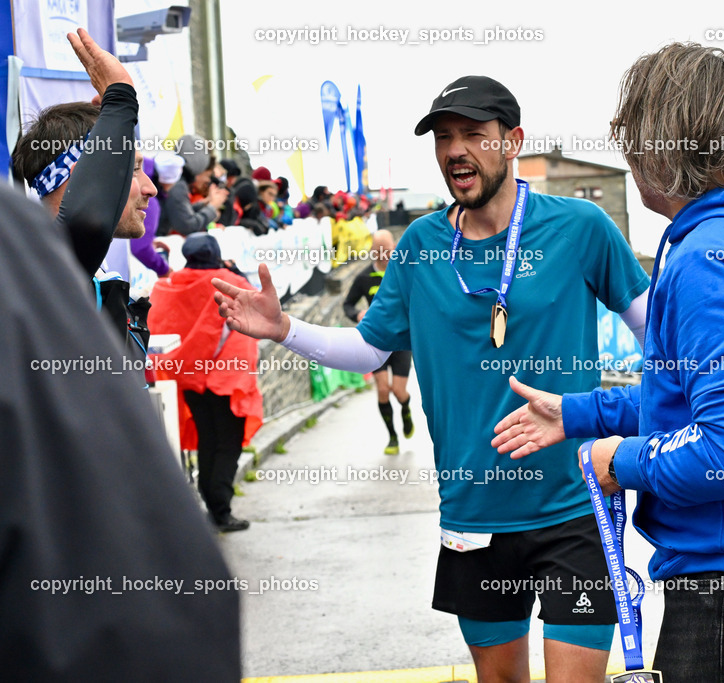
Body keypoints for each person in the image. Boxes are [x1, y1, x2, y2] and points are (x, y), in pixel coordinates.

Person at [212, 75, 650, 682]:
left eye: (473, 134)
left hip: (574, 506)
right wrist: (285, 328)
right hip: (474, 513)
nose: (454, 151)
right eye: (444, 138)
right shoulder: (420, 245)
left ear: (512, 140)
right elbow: (370, 349)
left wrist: (628, 425)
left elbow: (659, 336)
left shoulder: (580, 228)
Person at [494, 43, 724, 682]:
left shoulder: (710, 261)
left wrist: (620, 460)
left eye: (632, 142)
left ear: (661, 149)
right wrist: (581, 412)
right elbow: (710, 398)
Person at [0, 176, 240, 681]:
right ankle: (221, 504)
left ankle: (218, 505)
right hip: (214, 383)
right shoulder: (20, 255)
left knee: (213, 448)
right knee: (223, 447)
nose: (150, 187)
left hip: (187, 385)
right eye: (127, 166)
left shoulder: (100, 283)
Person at [9, 28, 157, 356]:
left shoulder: (91, 278)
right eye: (133, 169)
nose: (152, 188)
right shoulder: (40, 276)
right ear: (84, 180)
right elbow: (87, 221)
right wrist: (120, 98)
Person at [149, 233, 263, 532]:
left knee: (208, 440)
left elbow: (159, 320)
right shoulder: (228, 280)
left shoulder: (173, 284)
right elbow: (257, 313)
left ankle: (211, 503)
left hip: (189, 376)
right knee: (227, 443)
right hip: (225, 377)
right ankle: (221, 509)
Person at [343, 229, 414, 454]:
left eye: (388, 250)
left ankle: (405, 407)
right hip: (376, 341)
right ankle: (392, 437)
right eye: (379, 251)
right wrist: (357, 314)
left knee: (398, 391)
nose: (384, 255)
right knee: (383, 390)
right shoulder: (364, 278)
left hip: (401, 342)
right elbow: (348, 304)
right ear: (373, 251)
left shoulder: (403, 272)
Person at [156, 134, 228, 236]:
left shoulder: (178, 180)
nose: (208, 180)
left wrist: (205, 203)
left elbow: (181, 212)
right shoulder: (178, 184)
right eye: (207, 175)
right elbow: (187, 225)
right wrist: (212, 207)